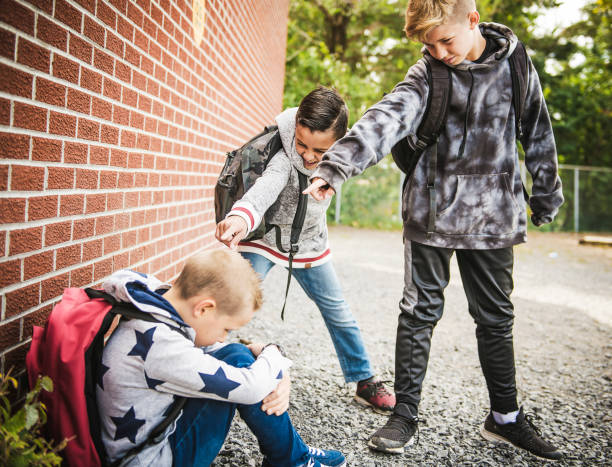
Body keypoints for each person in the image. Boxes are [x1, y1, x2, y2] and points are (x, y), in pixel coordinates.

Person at [303, 0, 564, 461]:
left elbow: (537, 131)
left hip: (493, 216)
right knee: (419, 312)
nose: (440, 51)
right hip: (432, 212)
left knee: (496, 318)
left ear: (473, 19)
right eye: (429, 44)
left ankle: (505, 417)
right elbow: (385, 118)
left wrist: (545, 194)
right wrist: (335, 167)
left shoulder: (517, 65)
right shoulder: (429, 75)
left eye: (446, 40)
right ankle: (404, 415)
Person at [215, 86, 396, 414]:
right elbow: (265, 189)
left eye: (320, 150)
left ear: (339, 144)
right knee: (230, 297)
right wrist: (240, 218)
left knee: (339, 312)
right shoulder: (285, 156)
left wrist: (331, 179)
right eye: (302, 144)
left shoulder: (343, 157)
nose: (309, 157)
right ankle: (199, 355)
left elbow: (358, 159)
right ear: (295, 128)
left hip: (310, 243)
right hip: (265, 240)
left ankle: (364, 378)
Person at [96, 250, 346, 467]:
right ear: (204, 308)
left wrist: (273, 362)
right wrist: (274, 356)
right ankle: (294, 460)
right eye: (226, 328)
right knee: (240, 364)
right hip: (154, 459)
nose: (222, 337)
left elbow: (220, 356)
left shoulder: (153, 309)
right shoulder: (161, 346)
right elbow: (250, 387)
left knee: (238, 356)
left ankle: (294, 456)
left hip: (148, 440)